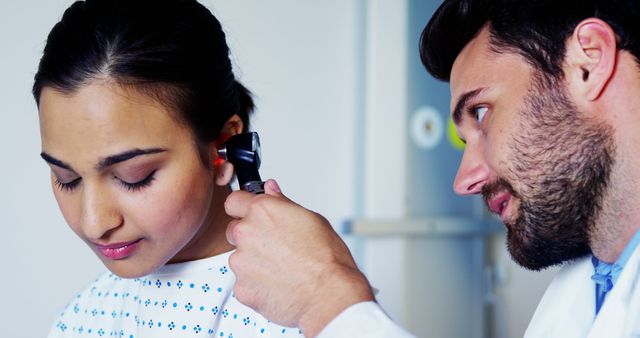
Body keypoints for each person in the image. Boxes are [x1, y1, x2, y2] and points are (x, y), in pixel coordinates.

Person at [224, 0, 640, 337]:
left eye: (480, 113)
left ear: (588, 61)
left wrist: (325, 297)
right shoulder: (592, 281)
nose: (463, 181)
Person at [35, 0, 303, 337]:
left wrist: (335, 297)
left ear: (224, 147)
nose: (94, 223)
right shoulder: (81, 317)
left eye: (135, 177)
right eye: (67, 179)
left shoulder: (307, 310)